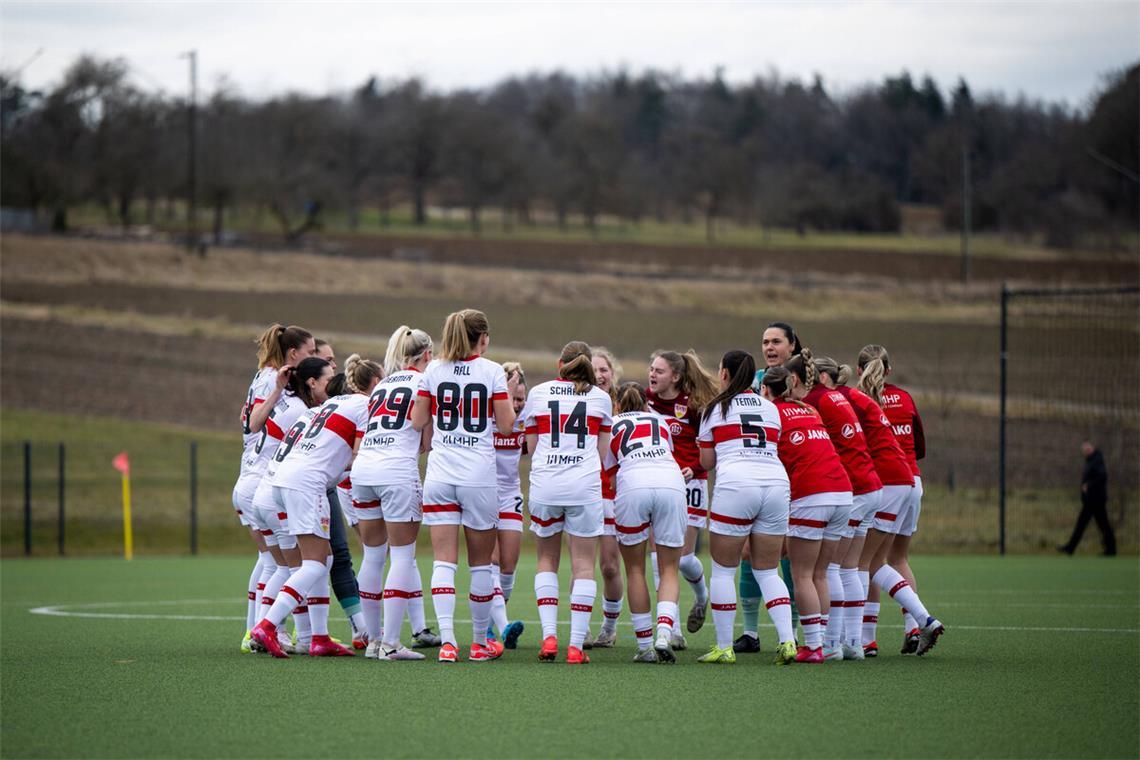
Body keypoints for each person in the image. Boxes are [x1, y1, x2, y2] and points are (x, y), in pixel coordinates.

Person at [249, 355, 383, 658]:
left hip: (282, 482)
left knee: (325, 559)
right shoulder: (364, 406)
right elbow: (359, 456)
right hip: (306, 485)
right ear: (374, 384)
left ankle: (319, 637)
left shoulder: (325, 406)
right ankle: (267, 625)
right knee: (313, 564)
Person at [413, 309, 519, 663]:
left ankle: (447, 642)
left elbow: (417, 420)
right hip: (478, 477)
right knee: (479, 566)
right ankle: (477, 643)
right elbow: (506, 426)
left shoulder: (433, 370)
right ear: (483, 339)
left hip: (441, 474)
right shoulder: (492, 372)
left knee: (444, 562)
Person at [696, 351, 798, 665]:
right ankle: (788, 642)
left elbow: (707, 462)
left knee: (724, 570)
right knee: (768, 570)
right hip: (775, 483)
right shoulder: (771, 408)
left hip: (736, 485)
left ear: (724, 373)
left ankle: (724, 647)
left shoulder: (715, 408)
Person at [813, 355, 914, 660]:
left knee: (844, 566)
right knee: (870, 564)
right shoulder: (857, 397)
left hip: (870, 484)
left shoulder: (829, 400)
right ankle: (858, 641)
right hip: (890, 481)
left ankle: (833, 642)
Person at [351, 329, 441, 660]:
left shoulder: (382, 386)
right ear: (428, 355)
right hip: (396, 472)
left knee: (373, 557)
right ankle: (391, 643)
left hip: (363, 471)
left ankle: (373, 641)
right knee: (402, 557)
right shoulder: (425, 383)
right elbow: (426, 440)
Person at [524, 341, 613, 664]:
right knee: (584, 566)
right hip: (584, 487)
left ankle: (549, 637)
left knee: (547, 560)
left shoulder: (538, 393)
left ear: (560, 364)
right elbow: (602, 454)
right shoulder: (602, 399)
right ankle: (575, 647)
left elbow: (532, 448)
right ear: (589, 364)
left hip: (546, 484)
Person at [854, 346, 946, 656]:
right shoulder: (904, 397)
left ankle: (867, 640)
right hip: (912, 482)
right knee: (898, 559)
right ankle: (912, 629)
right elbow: (919, 446)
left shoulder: (860, 400)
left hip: (884, 484)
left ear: (858, 371)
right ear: (889, 370)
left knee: (867, 562)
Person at [766, 358, 853, 663]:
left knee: (801, 574)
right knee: (821, 573)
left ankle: (813, 646)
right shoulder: (809, 408)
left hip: (812, 494)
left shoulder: (771, 413)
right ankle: (828, 644)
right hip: (843, 492)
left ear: (765, 389)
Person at [245, 356, 333, 653]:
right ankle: (273, 630)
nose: (331, 381)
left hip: (261, 486)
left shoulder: (295, 405)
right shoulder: (306, 410)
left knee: (282, 566)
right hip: (275, 490)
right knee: (306, 565)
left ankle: (290, 634)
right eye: (328, 373)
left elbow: (253, 425)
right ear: (312, 381)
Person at [236, 324, 315, 653]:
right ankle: (272, 630)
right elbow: (257, 422)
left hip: (250, 473)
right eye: (310, 352)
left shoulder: (262, 375)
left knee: (270, 561)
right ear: (293, 354)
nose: (313, 358)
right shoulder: (275, 381)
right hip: (263, 477)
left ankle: (257, 630)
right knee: (286, 565)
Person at [802, 352, 882, 661]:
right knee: (853, 568)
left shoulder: (819, 399)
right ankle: (855, 643)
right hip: (870, 484)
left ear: (820, 377)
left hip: (855, 489)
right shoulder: (839, 397)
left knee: (830, 568)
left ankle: (833, 644)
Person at [604, 382, 686, 663]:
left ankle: (645, 646)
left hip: (633, 484)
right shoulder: (660, 421)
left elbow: (610, 475)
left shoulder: (612, 424)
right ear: (645, 404)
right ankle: (665, 632)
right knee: (669, 569)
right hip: (671, 482)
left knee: (635, 569)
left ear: (617, 404)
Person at [736, 322, 801, 654]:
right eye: (765, 342)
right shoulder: (755, 381)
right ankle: (750, 632)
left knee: (792, 555)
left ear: (792, 345)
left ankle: (789, 632)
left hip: (799, 479)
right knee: (750, 551)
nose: (770, 347)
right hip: (761, 477)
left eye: (777, 341)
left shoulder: (804, 380)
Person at [646, 349, 718, 648]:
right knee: (658, 557)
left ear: (675, 376)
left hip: (691, 485)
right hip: (659, 484)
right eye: (651, 369)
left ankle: (702, 596)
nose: (652, 374)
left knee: (683, 558)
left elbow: (711, 449)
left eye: (659, 371)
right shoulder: (645, 400)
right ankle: (671, 628)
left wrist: (695, 468)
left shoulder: (694, 404)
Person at [585, 347, 624, 649]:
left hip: (615, 494)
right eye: (593, 370)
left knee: (610, 566)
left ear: (613, 374)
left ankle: (609, 628)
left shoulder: (625, 408)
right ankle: (580, 627)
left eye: (604, 370)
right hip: (585, 491)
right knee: (581, 563)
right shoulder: (578, 404)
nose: (599, 375)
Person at [489, 360, 528, 649]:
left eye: (520, 399)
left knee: (508, 567)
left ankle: (494, 622)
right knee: (490, 562)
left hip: (510, 493)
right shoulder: (487, 413)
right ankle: (499, 627)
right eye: (512, 398)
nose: (516, 404)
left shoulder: (527, 419)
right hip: (484, 492)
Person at [1059, 441, 1116, 556]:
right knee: (1100, 525)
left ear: (1092, 448)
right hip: (1091, 500)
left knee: (1088, 524)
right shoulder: (1091, 460)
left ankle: (1071, 547)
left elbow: (1102, 476)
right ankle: (1110, 549)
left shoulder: (1097, 460)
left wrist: (1088, 485)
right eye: (1084, 450)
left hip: (1096, 500)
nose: (1085, 451)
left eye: (1087, 449)